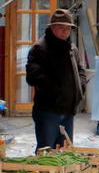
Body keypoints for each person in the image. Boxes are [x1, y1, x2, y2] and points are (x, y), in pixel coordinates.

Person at [26, 9, 86, 151]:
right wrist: (56, 91)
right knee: (46, 151)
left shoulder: (71, 48)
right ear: (52, 27)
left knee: (65, 151)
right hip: (49, 111)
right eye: (61, 27)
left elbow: (80, 70)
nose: (65, 31)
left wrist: (80, 87)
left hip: (68, 110)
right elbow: (33, 76)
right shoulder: (40, 48)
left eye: (68, 28)